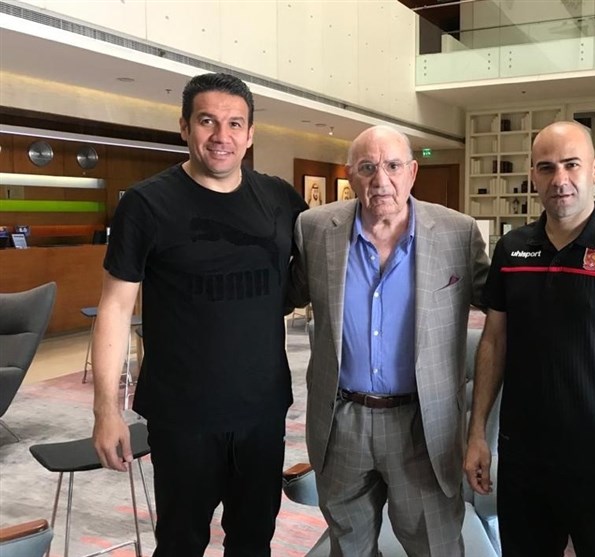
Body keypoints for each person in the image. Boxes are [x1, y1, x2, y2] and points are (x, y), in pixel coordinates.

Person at [91, 73, 307, 556]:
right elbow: (115, 308)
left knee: (254, 541)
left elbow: (318, 266)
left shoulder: (279, 199)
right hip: (182, 415)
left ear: (250, 134)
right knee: (180, 543)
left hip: (262, 408)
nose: (221, 136)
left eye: (235, 124)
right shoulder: (147, 204)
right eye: (207, 121)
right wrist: (106, 409)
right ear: (185, 127)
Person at [464, 121, 595, 557]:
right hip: (524, 459)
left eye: (571, 165)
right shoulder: (512, 249)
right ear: (533, 176)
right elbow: (494, 343)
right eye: (546, 168)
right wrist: (477, 434)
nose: (559, 179)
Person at [288, 125, 490, 556]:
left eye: (393, 166)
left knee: (435, 546)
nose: (381, 180)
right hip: (342, 421)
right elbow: (280, 296)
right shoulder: (315, 229)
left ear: (412, 172)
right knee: (349, 547)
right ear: (351, 175)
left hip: (424, 426)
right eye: (367, 167)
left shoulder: (457, 233)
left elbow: (504, 309)